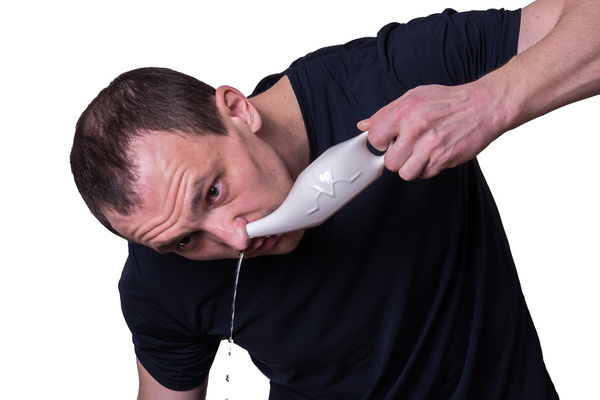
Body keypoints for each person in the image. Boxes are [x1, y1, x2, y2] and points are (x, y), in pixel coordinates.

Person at [70, 0, 599, 398]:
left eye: (213, 191)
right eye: (187, 239)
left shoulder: (386, 79)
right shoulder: (160, 275)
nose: (235, 239)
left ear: (236, 110)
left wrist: (490, 101)